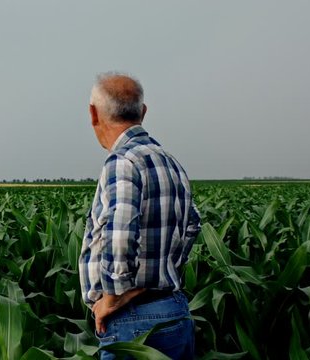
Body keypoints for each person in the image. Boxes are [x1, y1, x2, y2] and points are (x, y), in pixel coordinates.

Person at [79, 72, 201, 360]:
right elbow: (192, 225)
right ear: (143, 112)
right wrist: (151, 280)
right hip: (174, 310)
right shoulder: (170, 161)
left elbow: (119, 238)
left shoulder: (122, 162)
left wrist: (112, 297)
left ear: (93, 114)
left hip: (132, 323)